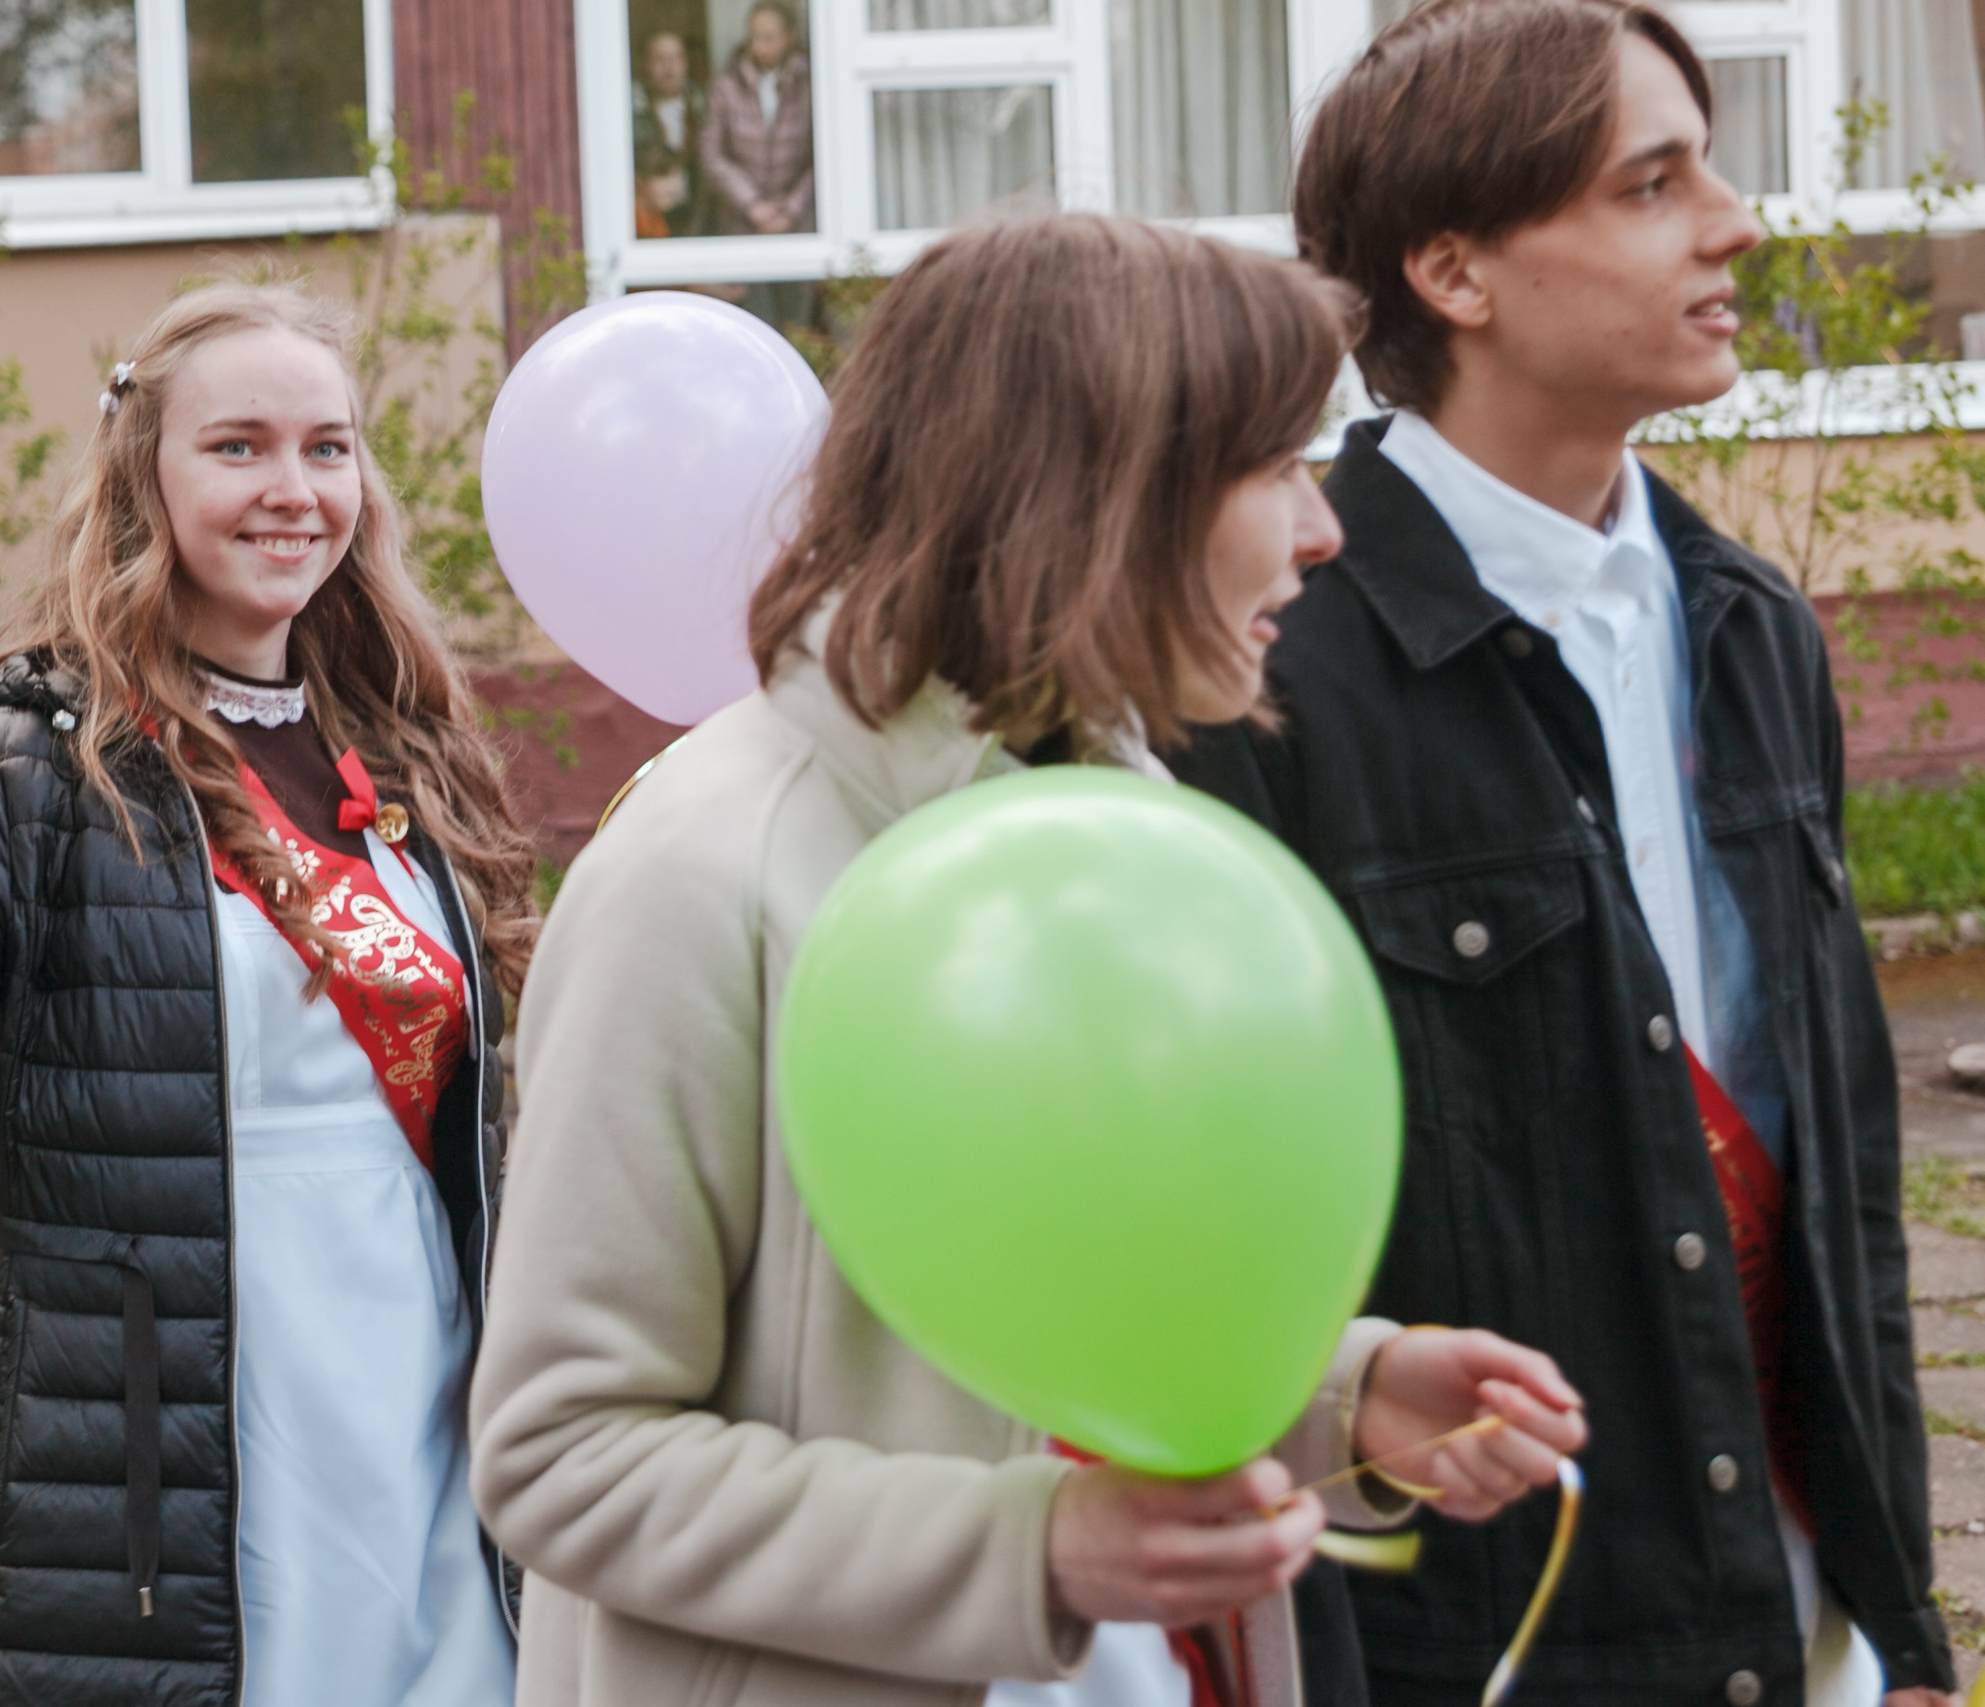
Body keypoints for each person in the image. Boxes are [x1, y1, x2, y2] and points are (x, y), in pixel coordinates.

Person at [468, 215, 1589, 1707]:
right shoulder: (699, 867)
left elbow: (1076, 1304)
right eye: (1272, 469)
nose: (1322, 531)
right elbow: (559, 1456)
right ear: (1105, 491)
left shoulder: (1124, 822)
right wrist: (1031, 1551)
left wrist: (1350, 1392)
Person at [1173, 4, 1955, 1702]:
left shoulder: (1752, 630)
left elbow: (1841, 1166)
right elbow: (1198, 1223)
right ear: (1456, 271)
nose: (1736, 222)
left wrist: (1900, 1617)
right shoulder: (1267, 677)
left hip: (1797, 1604)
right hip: (1490, 1636)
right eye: (1653, 183)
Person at [0, 281, 539, 1705]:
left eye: (329, 446)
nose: (294, 489)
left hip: (429, 1400)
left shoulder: (414, 748)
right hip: (179, 1447)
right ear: (147, 474)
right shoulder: (40, 761)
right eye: (237, 446)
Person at [702, 1, 816, 324]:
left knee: (796, 326)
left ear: (789, 37)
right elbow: (711, 155)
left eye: (768, 37)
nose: (758, 46)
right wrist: (752, 205)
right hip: (742, 226)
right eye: (753, 37)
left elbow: (823, 157)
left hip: (796, 227)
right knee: (754, 324)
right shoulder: (725, 86)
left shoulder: (810, 85)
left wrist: (790, 209)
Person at [632, 29, 707, 236]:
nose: (669, 67)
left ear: (686, 62)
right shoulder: (633, 111)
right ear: (645, 64)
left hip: (697, 212)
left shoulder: (704, 108)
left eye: (676, 57)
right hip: (649, 217)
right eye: (659, 59)